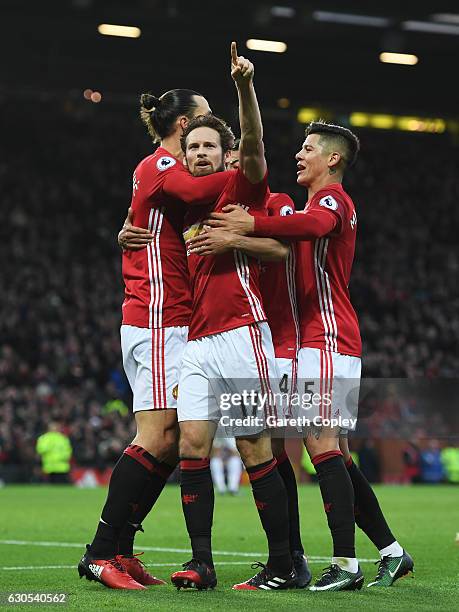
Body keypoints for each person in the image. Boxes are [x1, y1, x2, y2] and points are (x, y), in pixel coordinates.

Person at [202, 120, 414, 590]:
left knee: (322, 450)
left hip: (328, 339)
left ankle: (345, 564)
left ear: (332, 159)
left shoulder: (331, 200)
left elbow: (316, 225)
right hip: (310, 343)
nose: (299, 155)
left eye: (308, 148)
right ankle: (392, 552)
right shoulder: (308, 204)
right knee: (333, 451)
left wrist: (250, 224)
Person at [78, 88, 233, 590]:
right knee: (156, 437)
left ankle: (119, 550)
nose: (213, 126)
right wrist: (251, 167)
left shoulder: (171, 167)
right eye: (207, 118)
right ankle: (100, 554)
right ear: (186, 124)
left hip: (175, 320)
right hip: (157, 318)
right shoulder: (161, 163)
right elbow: (194, 194)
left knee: (168, 444)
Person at [170, 42, 297, 592]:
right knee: (191, 445)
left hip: (243, 334)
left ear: (224, 155)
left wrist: (244, 86)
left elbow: (255, 144)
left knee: (253, 447)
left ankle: (284, 564)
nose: (199, 153)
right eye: (192, 146)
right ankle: (202, 562)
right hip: (196, 342)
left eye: (208, 146)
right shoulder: (180, 201)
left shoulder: (237, 187)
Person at [191, 139, 309, 583]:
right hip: (255, 342)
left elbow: (284, 253)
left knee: (307, 450)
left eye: (241, 162)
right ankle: (292, 556)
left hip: (280, 341)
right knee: (275, 454)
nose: (234, 168)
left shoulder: (275, 204)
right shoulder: (216, 207)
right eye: (231, 162)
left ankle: (302, 557)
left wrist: (240, 234)